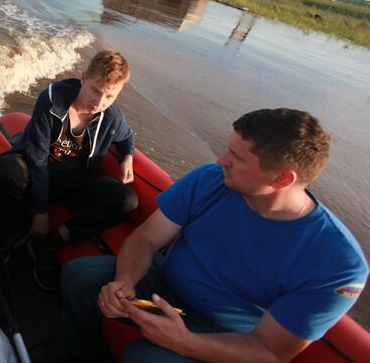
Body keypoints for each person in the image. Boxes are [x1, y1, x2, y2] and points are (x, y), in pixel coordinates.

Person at [58, 108, 368, 362]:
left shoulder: (337, 264)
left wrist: (185, 342)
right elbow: (146, 239)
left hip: (223, 331)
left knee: (147, 358)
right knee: (81, 276)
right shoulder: (211, 180)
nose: (222, 160)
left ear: (282, 178)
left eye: (237, 157)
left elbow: (269, 350)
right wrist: (125, 281)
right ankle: (81, 353)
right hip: (161, 286)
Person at [0, 50, 138, 291]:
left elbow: (127, 136)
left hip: (74, 178)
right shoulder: (52, 100)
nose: (99, 102)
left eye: (109, 96)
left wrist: (127, 157)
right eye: (95, 91)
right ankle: (10, 231)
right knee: (6, 171)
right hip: (35, 166)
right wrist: (41, 212)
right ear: (83, 78)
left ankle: (55, 239)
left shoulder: (111, 116)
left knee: (127, 199)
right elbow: (37, 160)